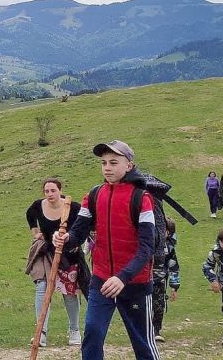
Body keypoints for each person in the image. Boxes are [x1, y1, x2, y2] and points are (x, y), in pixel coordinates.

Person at [53, 140, 161, 360]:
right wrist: (63, 239)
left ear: (129, 165)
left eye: (113, 162)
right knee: (92, 333)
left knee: (143, 343)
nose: (107, 168)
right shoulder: (93, 195)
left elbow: (147, 247)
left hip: (134, 283)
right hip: (101, 280)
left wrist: (122, 277)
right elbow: (78, 234)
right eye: (103, 163)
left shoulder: (142, 199)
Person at [26, 177, 83, 347]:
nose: (50, 194)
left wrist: (75, 243)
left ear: (60, 190)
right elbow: (29, 215)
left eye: (53, 190)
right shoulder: (38, 205)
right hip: (47, 254)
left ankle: (74, 331)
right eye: (46, 191)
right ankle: (41, 332)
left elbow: (83, 226)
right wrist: (35, 232)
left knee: (69, 292)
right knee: (42, 288)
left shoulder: (72, 207)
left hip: (68, 254)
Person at [152, 218, 181, 342]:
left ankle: (156, 330)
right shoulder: (145, 243)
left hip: (159, 281)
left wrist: (174, 287)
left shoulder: (169, 248)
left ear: (168, 233)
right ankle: (143, 329)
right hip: (142, 281)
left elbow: (173, 267)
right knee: (142, 306)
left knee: (159, 306)